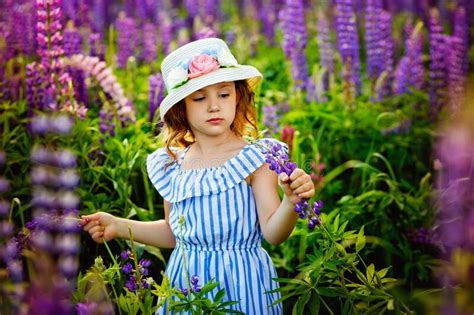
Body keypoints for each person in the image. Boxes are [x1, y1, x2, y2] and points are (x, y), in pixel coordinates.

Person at [81, 38, 315, 314]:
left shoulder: (256, 159)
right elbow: (173, 233)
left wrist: (290, 202)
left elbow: (274, 234)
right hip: (186, 288)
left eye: (224, 94)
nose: (214, 106)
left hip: (242, 285)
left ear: (238, 97)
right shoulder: (172, 165)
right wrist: (119, 226)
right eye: (200, 97)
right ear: (182, 108)